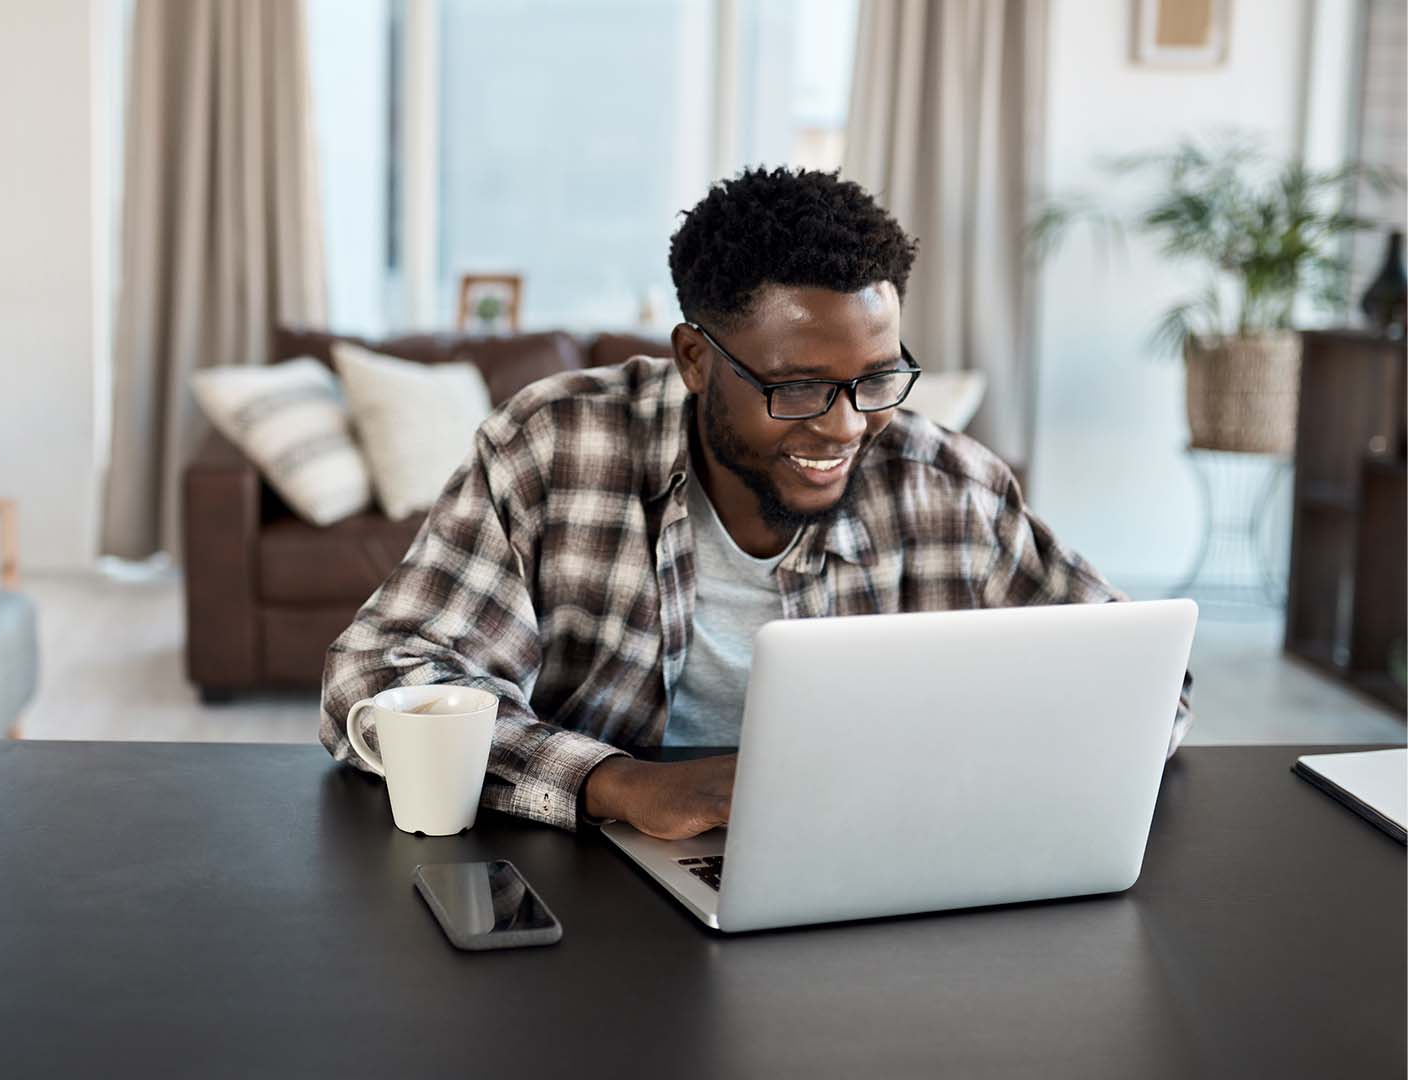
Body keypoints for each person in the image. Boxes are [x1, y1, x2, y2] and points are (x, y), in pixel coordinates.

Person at [319, 166, 1192, 840]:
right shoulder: (554, 444)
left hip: (877, 860)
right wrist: (615, 784)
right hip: (603, 868)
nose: (848, 426)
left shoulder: (948, 485)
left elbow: (1147, 684)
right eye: (801, 388)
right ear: (695, 360)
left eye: (877, 379)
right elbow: (378, 677)